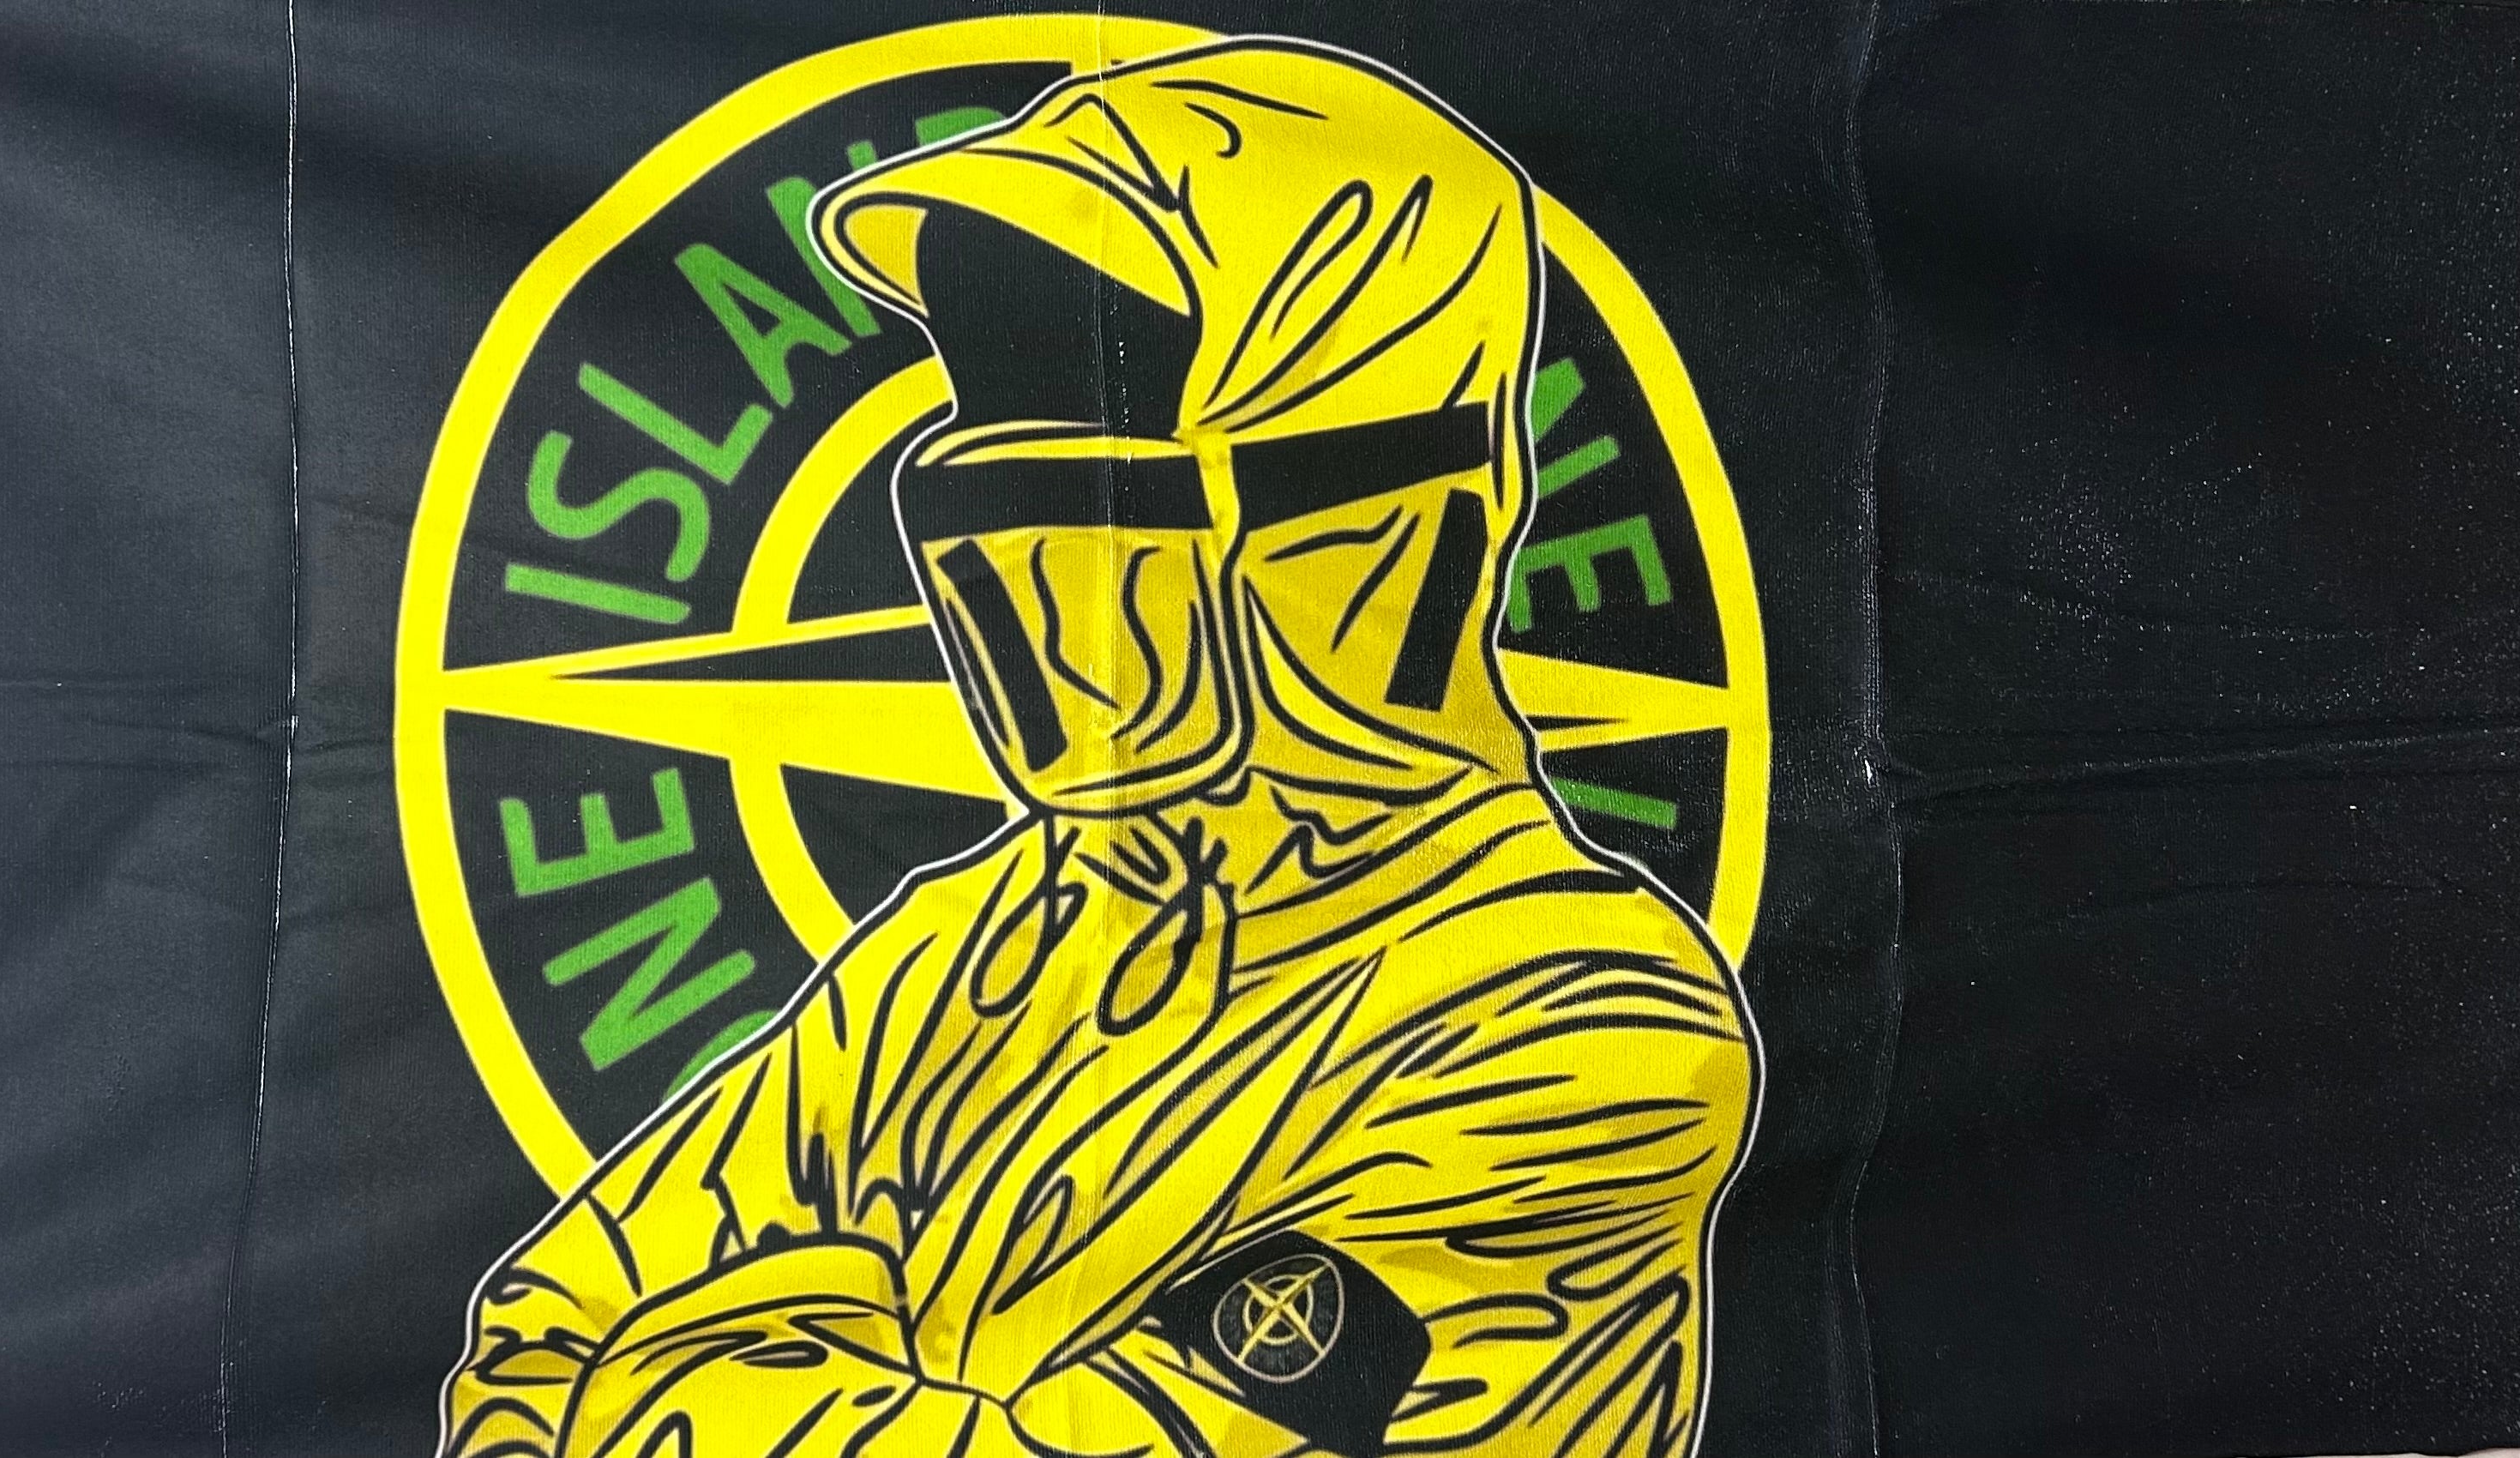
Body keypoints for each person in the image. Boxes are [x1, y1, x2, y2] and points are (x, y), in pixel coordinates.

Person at [441, 37, 1757, 1458]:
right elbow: (540, 1329)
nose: (1026, 532)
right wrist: (831, 1368)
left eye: (1092, 428)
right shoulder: (970, 938)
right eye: (993, 419)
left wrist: (706, 1358)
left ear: (1382, 508)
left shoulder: (1586, 1042)